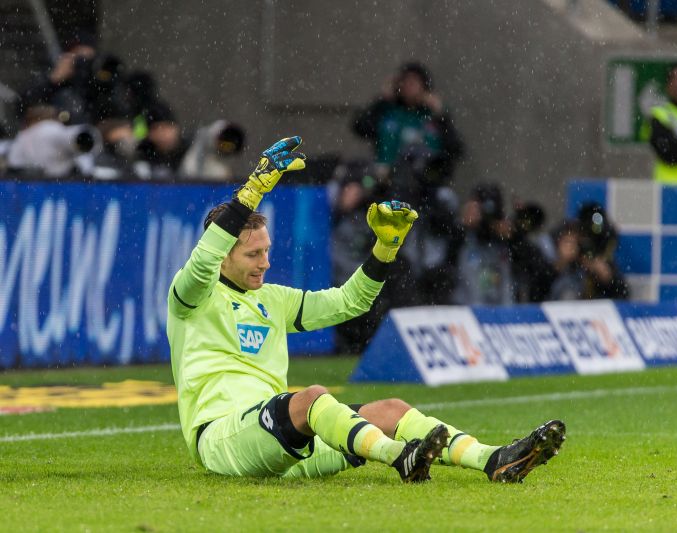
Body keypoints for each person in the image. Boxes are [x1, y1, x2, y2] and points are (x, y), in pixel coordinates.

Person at [167, 136, 566, 483]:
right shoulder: (190, 296)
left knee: (391, 410)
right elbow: (202, 262)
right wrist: (252, 190)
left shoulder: (272, 299)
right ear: (223, 256)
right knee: (311, 398)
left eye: (267, 251)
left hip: (283, 444)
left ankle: (492, 458)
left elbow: (350, 302)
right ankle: (398, 456)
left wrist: (385, 249)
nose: (265, 262)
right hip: (222, 439)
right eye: (254, 254)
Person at [352, 62, 464, 206]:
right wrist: (381, 100)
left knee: (447, 200)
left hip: (425, 188)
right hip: (384, 185)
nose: (409, 86)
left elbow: (456, 149)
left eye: (414, 82)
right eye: (405, 81)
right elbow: (360, 128)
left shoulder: (433, 118)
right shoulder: (388, 112)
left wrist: (441, 115)